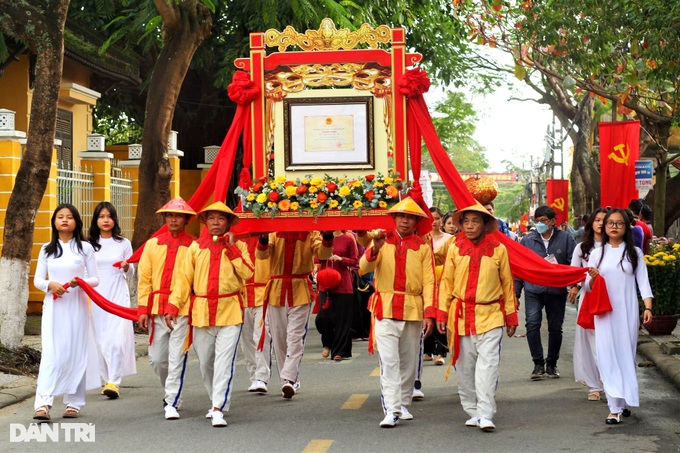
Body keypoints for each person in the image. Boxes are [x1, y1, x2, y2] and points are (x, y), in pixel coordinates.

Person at [167, 201, 253, 427]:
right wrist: (173, 305)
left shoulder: (240, 246)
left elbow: (247, 272)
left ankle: (217, 408)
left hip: (230, 311)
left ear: (228, 222)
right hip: (202, 312)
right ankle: (216, 400)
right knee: (205, 362)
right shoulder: (196, 248)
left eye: (221, 218)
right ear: (205, 222)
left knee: (224, 361)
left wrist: (231, 248)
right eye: (211, 218)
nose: (216, 222)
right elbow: (183, 279)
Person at [437, 201, 518, 432]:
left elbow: (507, 283)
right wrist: (442, 312)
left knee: (488, 366)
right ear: (460, 224)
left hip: (491, 314)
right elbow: (447, 283)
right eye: (466, 221)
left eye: (476, 221)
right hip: (460, 315)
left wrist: (511, 316)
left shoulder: (498, 248)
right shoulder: (454, 247)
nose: (470, 225)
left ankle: (485, 413)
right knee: (464, 367)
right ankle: (471, 410)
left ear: (485, 224)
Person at [359, 197, 436, 428]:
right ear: (394, 218)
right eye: (401, 216)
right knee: (390, 361)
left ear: (416, 222)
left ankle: (403, 403)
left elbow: (430, 281)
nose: (405, 220)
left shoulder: (423, 246)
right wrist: (375, 247)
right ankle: (391, 409)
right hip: (385, 306)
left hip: (413, 308)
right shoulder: (381, 240)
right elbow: (363, 268)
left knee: (409, 362)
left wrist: (430, 313)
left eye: (410, 217)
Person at [33, 204, 100, 421]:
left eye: (69, 217)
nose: (64, 220)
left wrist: (78, 282)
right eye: (60, 217)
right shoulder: (46, 249)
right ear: (54, 221)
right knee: (52, 354)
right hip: (54, 307)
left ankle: (74, 403)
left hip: (77, 306)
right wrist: (50, 285)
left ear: (76, 222)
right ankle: (43, 403)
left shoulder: (85, 248)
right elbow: (37, 280)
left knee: (76, 352)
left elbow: (95, 278)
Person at [585, 208, 653, 424]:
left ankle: (623, 400)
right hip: (604, 312)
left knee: (625, 355)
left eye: (619, 223)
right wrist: (593, 277)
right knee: (606, 355)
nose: (614, 226)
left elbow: (643, 282)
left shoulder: (634, 253)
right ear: (604, 227)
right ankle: (613, 407)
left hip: (627, 311)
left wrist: (648, 308)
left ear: (626, 227)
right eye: (610, 223)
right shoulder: (597, 253)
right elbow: (587, 286)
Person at [137, 197, 196, 420]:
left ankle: (171, 399)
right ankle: (171, 391)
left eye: (178, 215)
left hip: (182, 310)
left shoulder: (194, 245)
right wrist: (142, 309)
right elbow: (144, 278)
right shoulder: (153, 244)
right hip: (156, 309)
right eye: (170, 215)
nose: (173, 219)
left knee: (176, 357)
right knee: (157, 358)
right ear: (164, 218)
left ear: (186, 220)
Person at [256, 230, 332, 399]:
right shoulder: (274, 233)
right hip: (277, 289)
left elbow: (323, 253)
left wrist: (327, 237)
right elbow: (262, 255)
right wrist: (262, 239)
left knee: (294, 337)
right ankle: (288, 378)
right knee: (279, 338)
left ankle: (289, 379)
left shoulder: (311, 233)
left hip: (300, 290)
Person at [515, 205, 576, 380]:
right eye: (537, 221)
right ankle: (538, 364)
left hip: (556, 291)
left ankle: (552, 364)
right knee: (532, 325)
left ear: (552, 221)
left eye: (543, 221)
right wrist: (516, 293)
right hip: (533, 289)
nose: (540, 224)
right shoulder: (528, 240)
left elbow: (573, 263)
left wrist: (574, 285)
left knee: (555, 328)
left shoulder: (566, 239)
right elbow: (520, 268)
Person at [88, 201, 136, 399]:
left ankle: (114, 382)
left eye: (109, 216)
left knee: (116, 339)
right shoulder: (88, 244)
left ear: (114, 219)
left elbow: (131, 272)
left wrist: (126, 266)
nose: (105, 220)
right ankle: (106, 379)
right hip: (96, 295)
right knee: (100, 339)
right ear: (96, 220)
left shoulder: (123, 243)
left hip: (118, 294)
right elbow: (84, 270)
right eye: (101, 217)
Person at [568, 208, 608, 402]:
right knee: (590, 340)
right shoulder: (582, 247)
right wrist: (576, 287)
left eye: (605, 220)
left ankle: (608, 380)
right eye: (597, 220)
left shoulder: (619, 247)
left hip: (612, 299)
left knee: (608, 342)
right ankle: (594, 384)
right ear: (591, 223)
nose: (601, 223)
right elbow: (575, 272)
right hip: (590, 298)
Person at [314, 231, 359, 361]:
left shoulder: (349, 238)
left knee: (342, 320)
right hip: (325, 283)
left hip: (343, 284)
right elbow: (317, 258)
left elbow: (354, 261)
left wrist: (341, 259)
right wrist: (316, 267)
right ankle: (327, 342)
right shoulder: (320, 238)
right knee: (324, 316)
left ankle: (339, 351)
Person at [238, 234, 272, 393]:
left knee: (261, 336)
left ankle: (261, 377)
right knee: (245, 340)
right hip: (241, 295)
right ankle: (253, 376)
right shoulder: (236, 240)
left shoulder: (269, 235)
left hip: (263, 293)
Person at [423, 207, 451, 365]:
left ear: (441, 220)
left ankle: (441, 352)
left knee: (442, 317)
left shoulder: (449, 239)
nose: (434, 221)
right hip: (427, 284)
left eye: (437, 218)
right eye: (430, 218)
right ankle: (427, 351)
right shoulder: (422, 238)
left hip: (443, 283)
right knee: (428, 316)